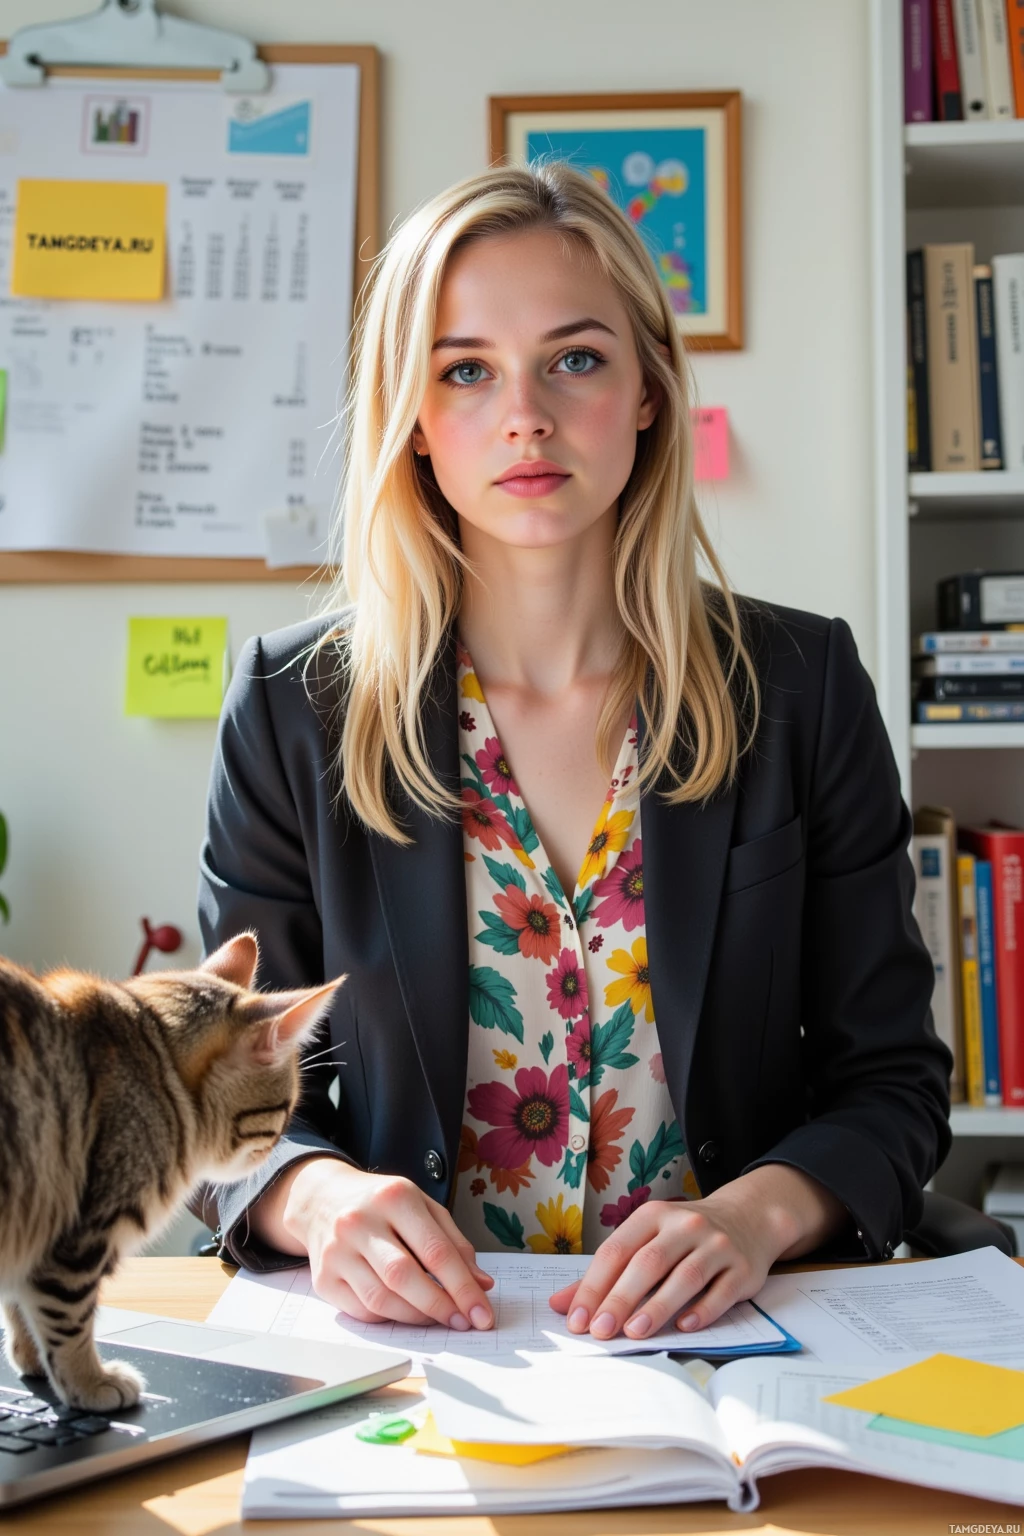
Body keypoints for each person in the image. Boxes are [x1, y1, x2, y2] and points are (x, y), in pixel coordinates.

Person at [196, 161, 951, 1345]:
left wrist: (755, 1216)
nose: (526, 417)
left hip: (738, 1349)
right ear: (409, 416)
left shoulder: (801, 687)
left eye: (576, 358)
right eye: (464, 371)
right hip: (431, 1358)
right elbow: (216, 1097)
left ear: (648, 386)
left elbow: (894, 1082)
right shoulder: (297, 707)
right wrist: (319, 1198)